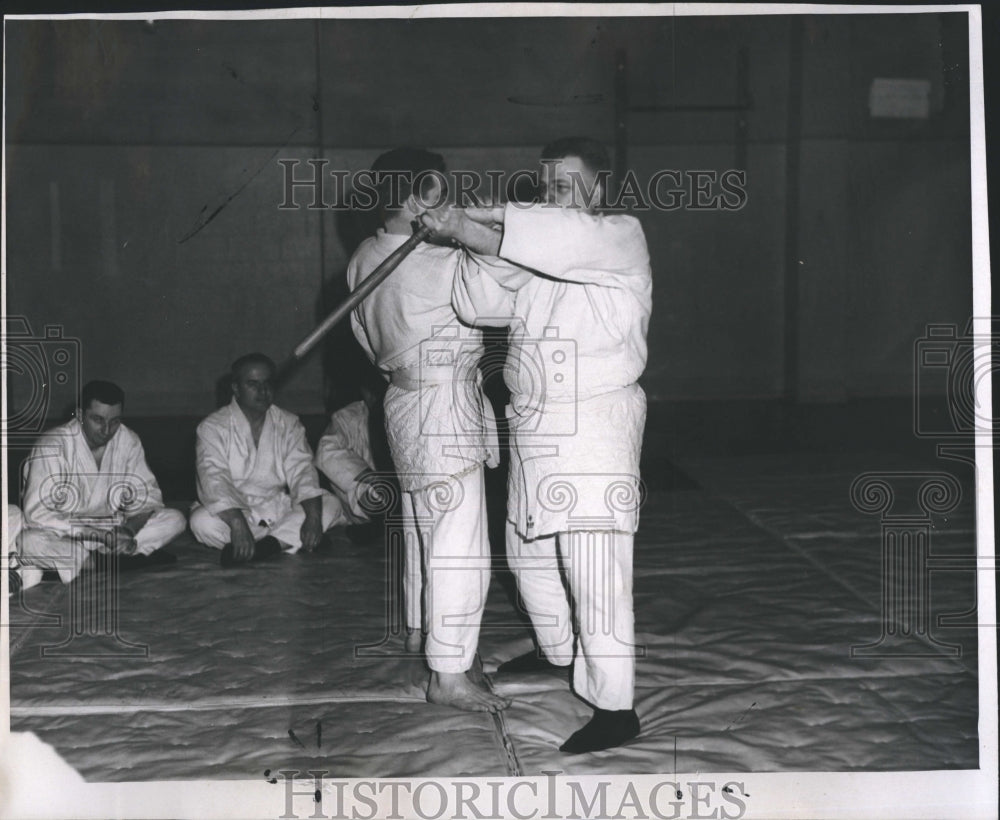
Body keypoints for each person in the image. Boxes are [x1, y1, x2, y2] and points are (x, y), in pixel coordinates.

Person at [420, 137, 652, 753]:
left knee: (594, 566)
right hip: (535, 422)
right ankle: (561, 654)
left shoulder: (618, 235)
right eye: (546, 187)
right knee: (526, 550)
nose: (553, 197)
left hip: (593, 422)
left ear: (599, 189)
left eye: (567, 185)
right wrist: (463, 233)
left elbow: (552, 237)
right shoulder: (539, 251)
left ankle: (615, 706)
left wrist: (472, 225)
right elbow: (481, 305)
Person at [347, 147, 507, 713]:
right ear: (418, 199)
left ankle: (420, 629)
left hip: (400, 397)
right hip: (443, 404)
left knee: (422, 525)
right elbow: (500, 303)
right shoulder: (443, 262)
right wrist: (483, 231)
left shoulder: (364, 256)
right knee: (458, 542)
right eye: (439, 192)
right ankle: (447, 675)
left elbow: (366, 341)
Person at [19, 380, 186, 582]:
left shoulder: (128, 440)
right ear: (80, 415)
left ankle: (93, 562)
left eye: (114, 421)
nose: (107, 430)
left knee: (175, 519)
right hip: (64, 533)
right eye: (98, 420)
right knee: (28, 542)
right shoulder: (52, 445)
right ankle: (114, 561)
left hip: (110, 531)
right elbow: (38, 514)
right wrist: (96, 535)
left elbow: (147, 498)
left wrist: (126, 531)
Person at [190, 353, 342, 566]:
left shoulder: (289, 423)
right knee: (201, 522)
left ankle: (264, 547)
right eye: (253, 384)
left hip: (277, 507)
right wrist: (236, 522)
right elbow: (213, 478)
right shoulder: (212, 427)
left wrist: (314, 518)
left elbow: (303, 471)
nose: (262, 391)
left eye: (267, 383)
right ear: (236, 388)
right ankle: (288, 540)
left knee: (330, 504)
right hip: (235, 511)